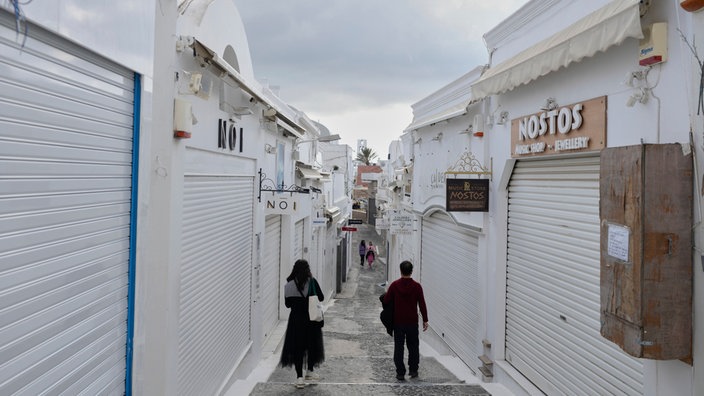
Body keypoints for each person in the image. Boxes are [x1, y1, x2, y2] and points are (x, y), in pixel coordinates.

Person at [280, 259, 325, 389]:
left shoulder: (288, 285)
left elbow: (287, 304)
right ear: (307, 270)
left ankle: (299, 378)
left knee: (297, 348)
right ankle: (310, 371)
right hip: (311, 320)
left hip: (295, 321)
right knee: (312, 346)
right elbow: (321, 297)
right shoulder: (312, 282)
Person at [383, 260, 428, 381]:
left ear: (400, 270)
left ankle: (400, 373)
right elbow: (422, 304)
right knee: (413, 347)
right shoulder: (417, 286)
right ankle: (413, 370)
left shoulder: (394, 285)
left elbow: (386, 300)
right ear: (411, 271)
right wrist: (425, 319)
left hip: (398, 322)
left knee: (399, 347)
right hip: (412, 322)